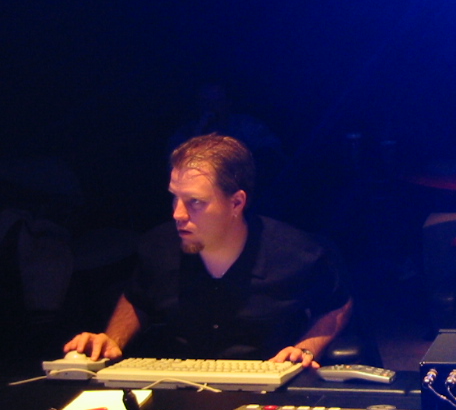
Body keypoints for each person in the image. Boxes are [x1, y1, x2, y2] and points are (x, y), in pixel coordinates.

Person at [64, 134, 352, 366]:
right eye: (175, 198)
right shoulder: (158, 247)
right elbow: (136, 298)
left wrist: (305, 348)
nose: (178, 214)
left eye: (195, 202)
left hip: (266, 384)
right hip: (176, 385)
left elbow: (337, 304)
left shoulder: (298, 254)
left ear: (236, 203)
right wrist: (112, 340)